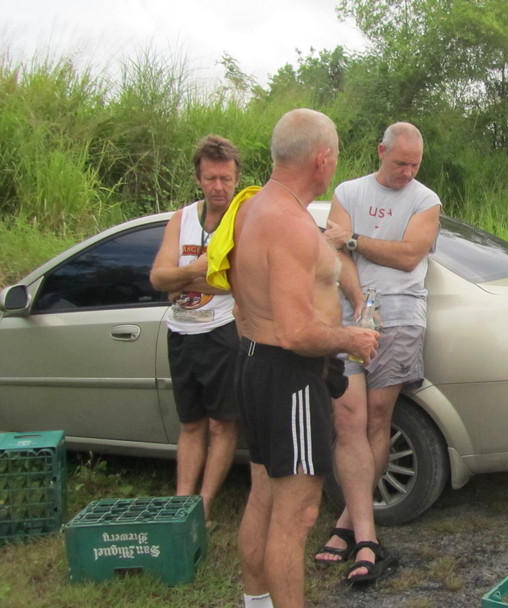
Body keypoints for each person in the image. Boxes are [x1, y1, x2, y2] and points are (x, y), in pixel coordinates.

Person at [220, 109, 379, 608]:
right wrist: (352, 339)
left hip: (255, 363)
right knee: (298, 515)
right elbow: (294, 332)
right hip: (287, 375)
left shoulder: (252, 207)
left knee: (264, 496)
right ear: (322, 158)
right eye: (335, 157)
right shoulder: (288, 223)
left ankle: (256, 602)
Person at [313, 122, 441, 583]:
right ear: (381, 151)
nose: (407, 172)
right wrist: (360, 301)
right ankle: (361, 532)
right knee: (348, 421)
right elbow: (336, 257)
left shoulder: (425, 200)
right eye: (400, 162)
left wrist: (354, 239)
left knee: (377, 420)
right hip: (350, 314)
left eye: (415, 165)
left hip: (402, 316)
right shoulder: (348, 192)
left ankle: (349, 524)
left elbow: (408, 256)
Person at [149, 134, 242, 526]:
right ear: (198, 179)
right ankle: (181, 506)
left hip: (222, 332)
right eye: (210, 179)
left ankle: (203, 506)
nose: (218, 187)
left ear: (236, 178)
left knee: (222, 424)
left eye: (225, 179)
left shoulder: (242, 219)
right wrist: (197, 271)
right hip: (182, 332)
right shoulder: (182, 218)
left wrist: (182, 279)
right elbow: (158, 277)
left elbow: (237, 282)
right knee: (190, 424)